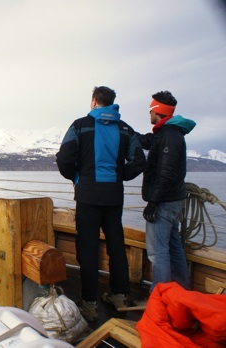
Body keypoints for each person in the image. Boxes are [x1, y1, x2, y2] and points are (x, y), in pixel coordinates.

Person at [56, 86, 146, 322]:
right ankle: (119, 296)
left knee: (87, 247)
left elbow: (64, 158)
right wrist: (120, 175)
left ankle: (89, 303)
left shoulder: (80, 125)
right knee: (116, 244)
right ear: (112, 103)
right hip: (114, 195)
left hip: (87, 195)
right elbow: (138, 161)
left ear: (94, 101)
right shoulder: (125, 129)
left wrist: (76, 176)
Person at [139, 90, 196, 293]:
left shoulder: (170, 136)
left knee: (157, 253)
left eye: (150, 110)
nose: (149, 114)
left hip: (163, 202)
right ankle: (182, 291)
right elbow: (150, 141)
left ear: (157, 111)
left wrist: (153, 202)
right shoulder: (168, 133)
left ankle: (160, 299)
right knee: (173, 246)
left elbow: (166, 172)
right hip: (172, 201)